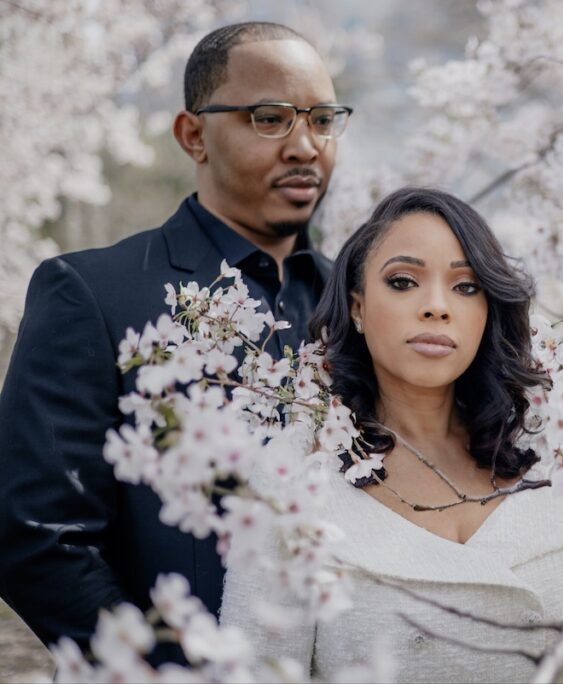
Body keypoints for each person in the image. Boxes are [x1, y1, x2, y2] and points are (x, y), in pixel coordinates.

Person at [221, 187, 563, 682]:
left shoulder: (555, 452)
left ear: (487, 311)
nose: (436, 307)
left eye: (466, 287)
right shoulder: (299, 473)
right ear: (357, 308)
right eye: (404, 281)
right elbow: (257, 669)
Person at [0, 21, 345, 661]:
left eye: (323, 119)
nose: (305, 145)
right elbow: (37, 539)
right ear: (194, 136)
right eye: (269, 119)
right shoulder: (92, 293)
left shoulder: (359, 306)